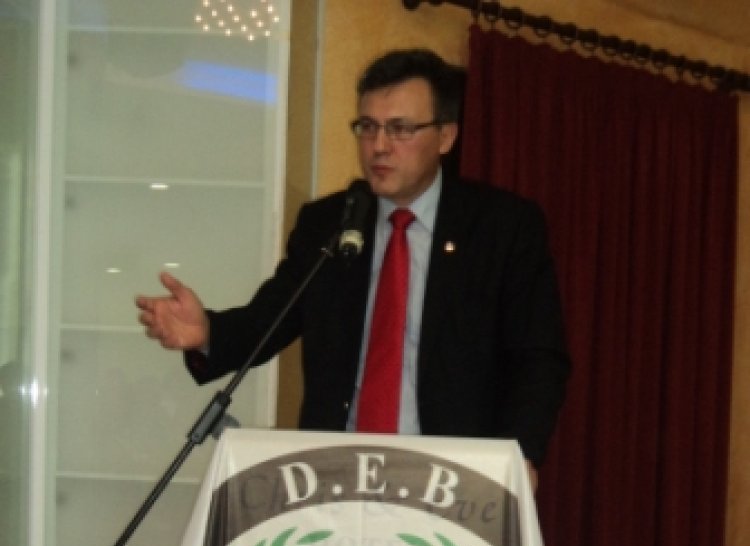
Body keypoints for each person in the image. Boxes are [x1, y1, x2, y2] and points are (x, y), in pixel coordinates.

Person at [136, 48, 570, 485]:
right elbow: (270, 320)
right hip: (335, 478)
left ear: (445, 136)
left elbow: (539, 358)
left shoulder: (501, 227)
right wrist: (208, 333)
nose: (379, 146)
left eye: (400, 129)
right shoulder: (330, 223)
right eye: (368, 127)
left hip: (453, 479)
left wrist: (520, 455)